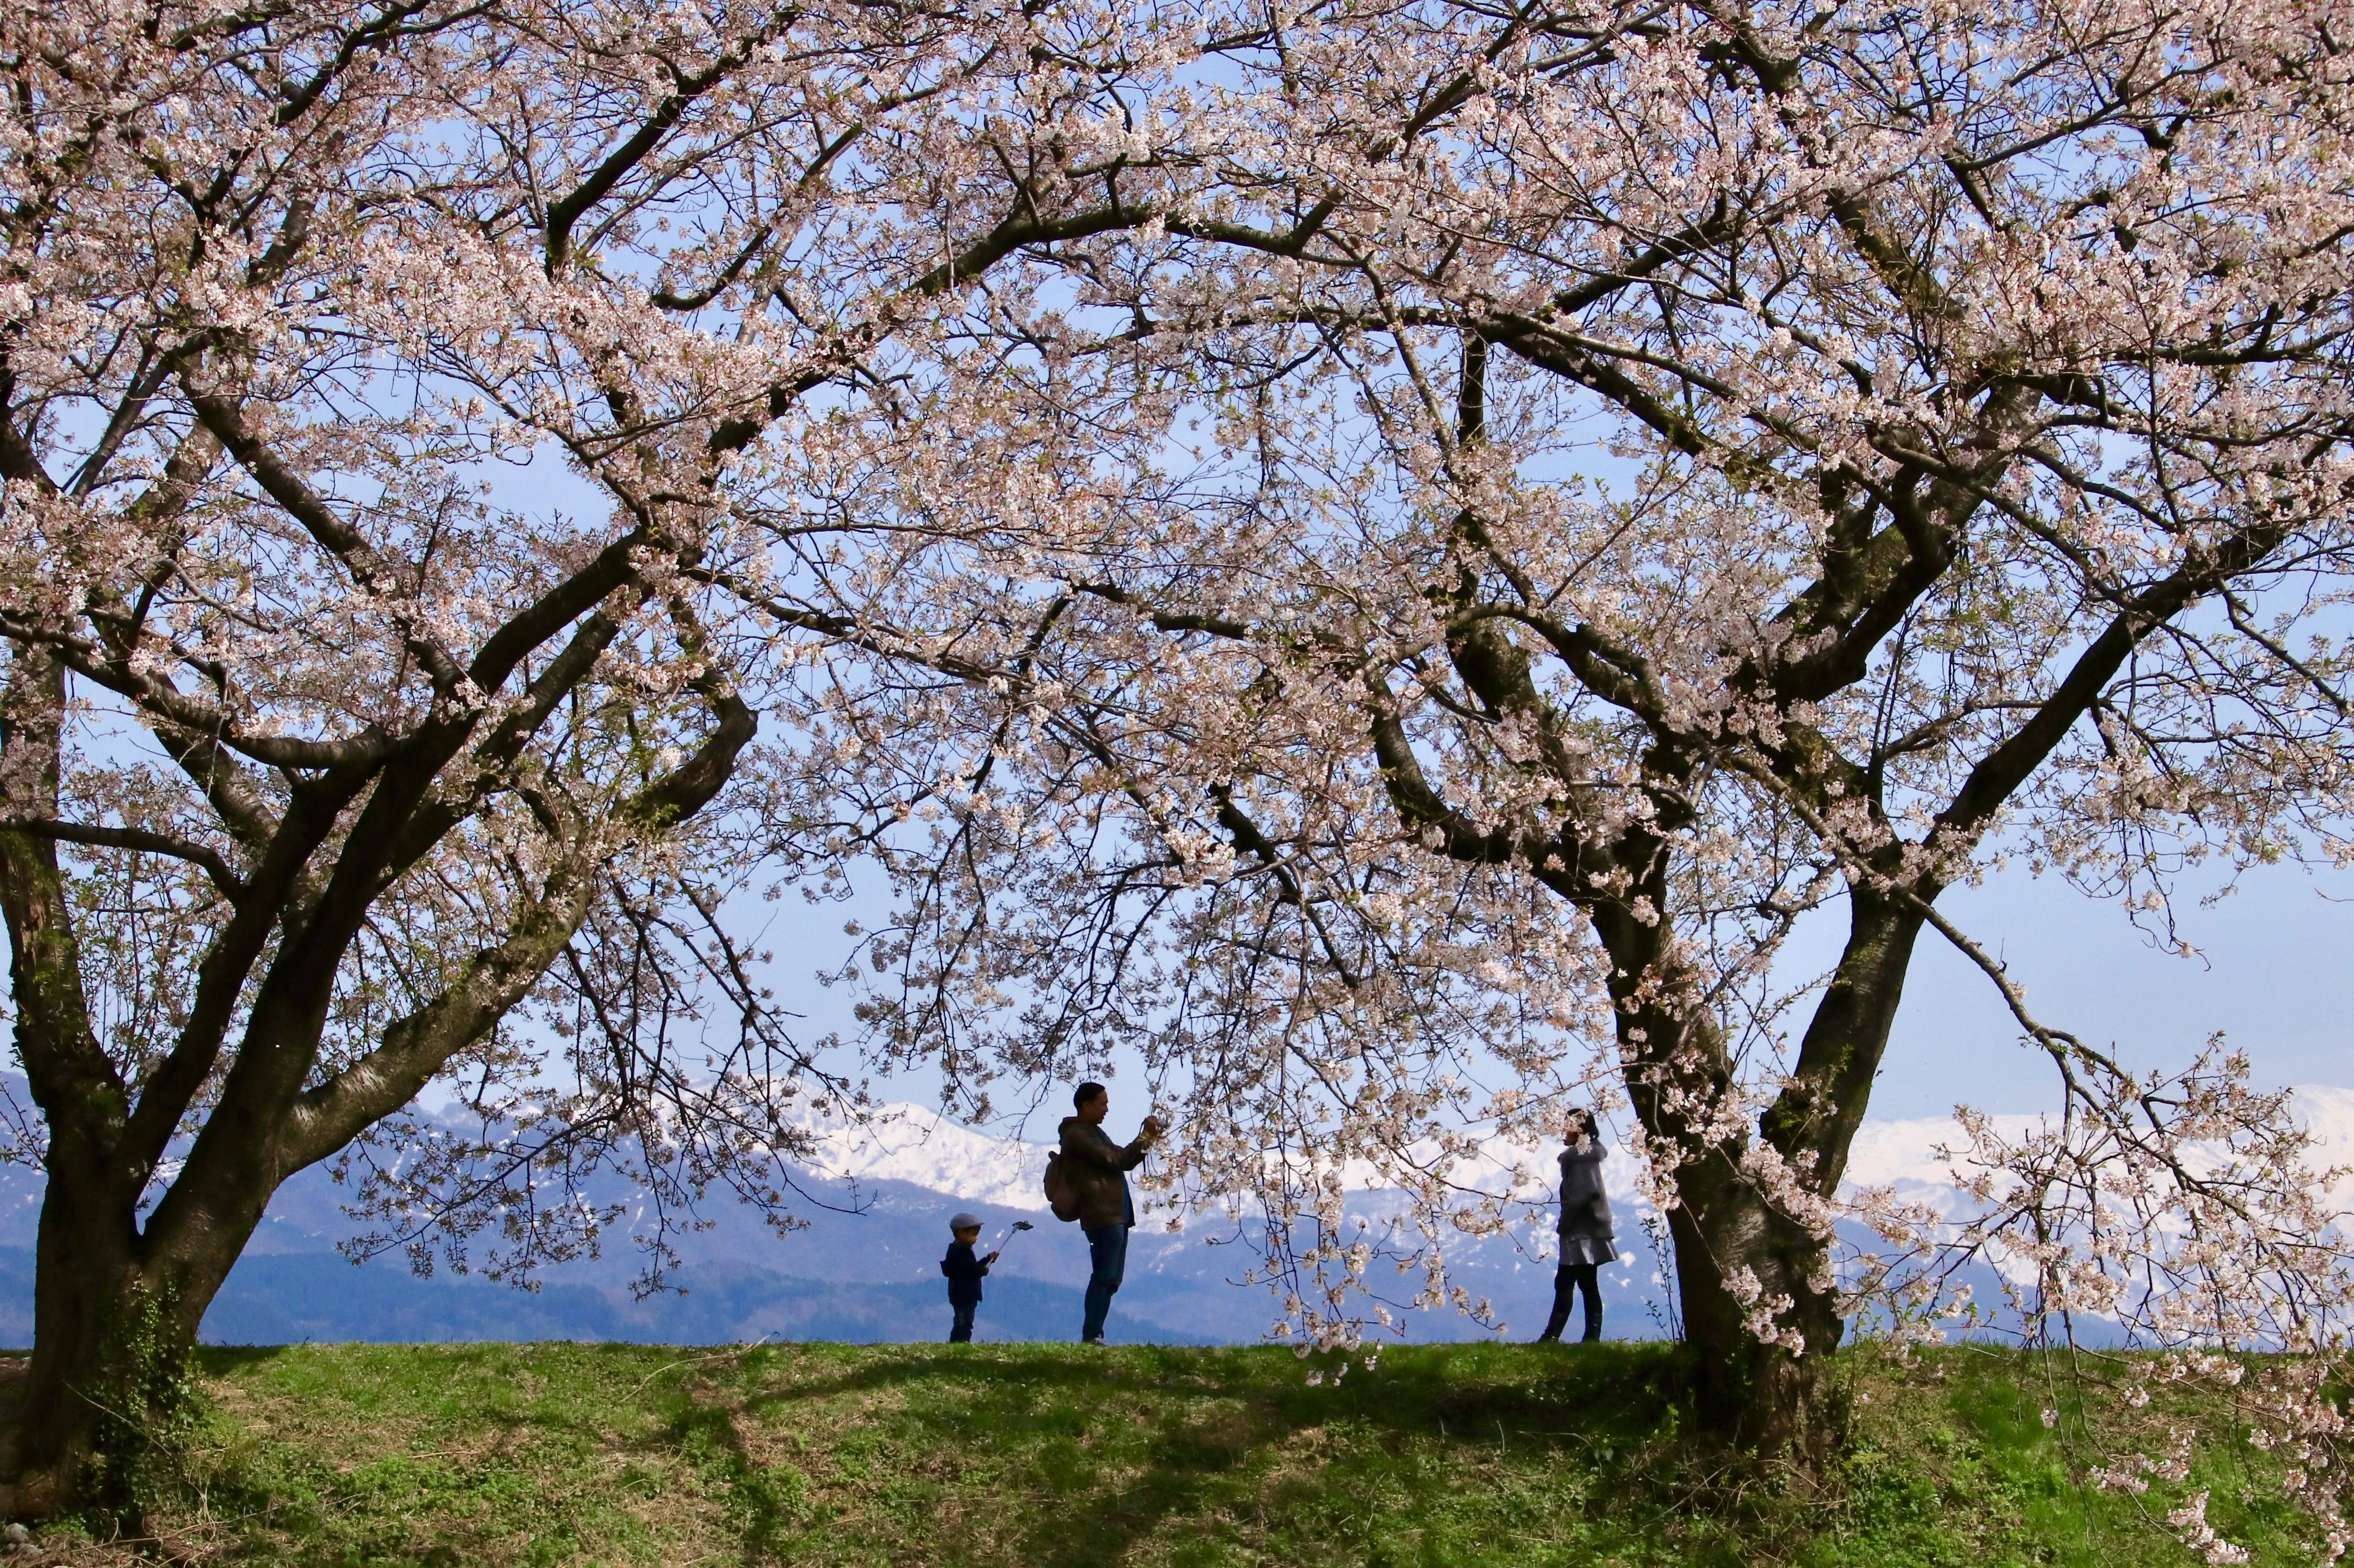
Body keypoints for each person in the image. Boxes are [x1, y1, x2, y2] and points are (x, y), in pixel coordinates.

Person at [1057, 1082, 1163, 1345]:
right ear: (1087, 1105)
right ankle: (1092, 1334)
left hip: (1115, 1214)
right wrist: (1146, 1137)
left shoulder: (1093, 1133)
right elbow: (1118, 1160)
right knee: (1104, 1275)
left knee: (1112, 1278)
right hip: (1102, 1214)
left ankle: (1095, 1332)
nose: (1107, 1109)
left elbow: (1119, 1157)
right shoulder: (1078, 1136)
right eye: (1102, 1103)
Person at [1537, 1109, 1614, 1343]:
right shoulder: (1586, 1157)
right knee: (1586, 1282)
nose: (1563, 1130)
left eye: (1567, 1126)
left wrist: (1564, 1225)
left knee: (1566, 1282)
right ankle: (1590, 1336)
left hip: (1580, 1231)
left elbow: (1580, 1196)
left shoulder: (1580, 1159)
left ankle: (1553, 1336)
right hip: (1589, 1229)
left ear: (1579, 1129)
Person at [939, 1212, 998, 1343]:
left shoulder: (958, 1250)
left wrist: (988, 1259)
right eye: (974, 1235)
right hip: (965, 1294)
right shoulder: (962, 1252)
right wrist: (984, 1269)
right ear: (961, 1234)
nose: (976, 1239)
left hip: (959, 1293)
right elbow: (972, 1270)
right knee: (965, 1322)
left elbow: (970, 1267)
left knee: (960, 1320)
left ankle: (956, 1342)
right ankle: (962, 1342)